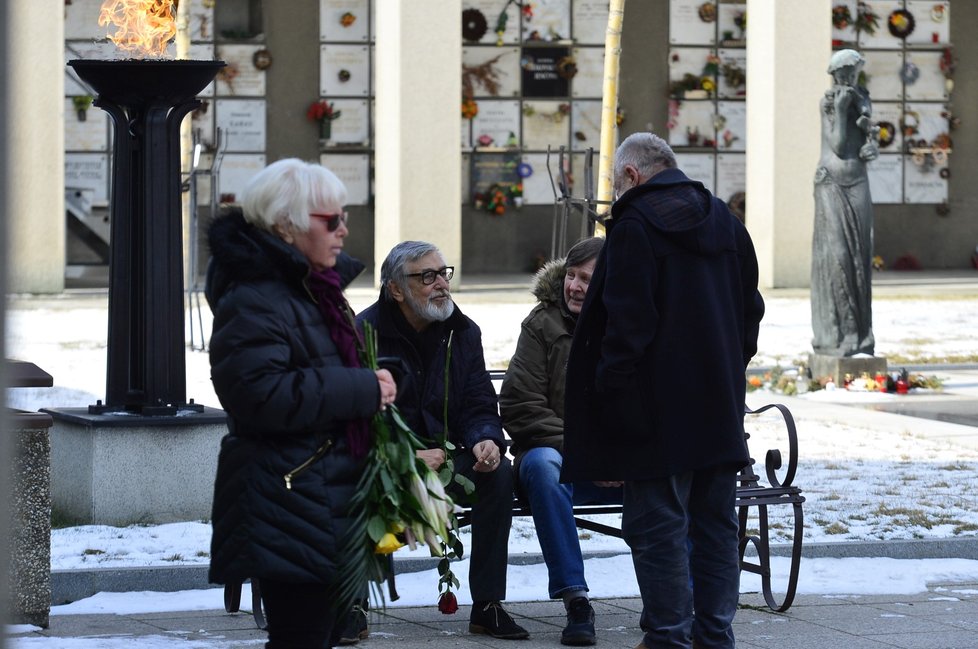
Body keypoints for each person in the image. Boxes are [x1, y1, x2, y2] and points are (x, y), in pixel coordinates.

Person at [562, 132, 765, 649]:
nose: (615, 193)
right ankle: (715, 636)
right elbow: (750, 311)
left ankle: (667, 638)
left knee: (657, 531)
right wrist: (726, 370)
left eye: (615, 182)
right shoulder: (724, 219)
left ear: (631, 175)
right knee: (716, 527)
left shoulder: (634, 226)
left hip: (652, 412)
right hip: (717, 407)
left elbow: (626, 326)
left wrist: (611, 396)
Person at [205, 158, 398, 649]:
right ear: (285, 226)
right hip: (287, 494)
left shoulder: (312, 290)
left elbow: (320, 369)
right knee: (300, 637)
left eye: (344, 218)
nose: (343, 230)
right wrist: (362, 389)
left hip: (322, 490)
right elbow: (260, 396)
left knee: (321, 634)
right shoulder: (255, 298)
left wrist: (379, 384)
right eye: (330, 221)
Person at [354, 240, 529, 641]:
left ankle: (487, 606)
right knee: (355, 478)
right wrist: (405, 454)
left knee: (498, 474)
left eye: (444, 273)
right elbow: (355, 420)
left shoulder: (464, 333)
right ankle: (353, 604)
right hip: (387, 463)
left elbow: (480, 402)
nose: (441, 284)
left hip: (449, 462)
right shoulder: (363, 335)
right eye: (426, 276)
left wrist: (486, 439)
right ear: (396, 289)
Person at [499, 236, 619, 646]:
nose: (575, 286)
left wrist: (616, 455)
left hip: (618, 464)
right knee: (543, 465)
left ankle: (668, 601)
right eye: (571, 275)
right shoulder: (541, 323)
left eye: (587, 278)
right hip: (557, 457)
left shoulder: (630, 322)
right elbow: (520, 405)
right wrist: (587, 455)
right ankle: (576, 599)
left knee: (670, 470)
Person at [812, 48, 878, 357]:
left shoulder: (862, 100)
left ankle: (863, 334)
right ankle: (844, 331)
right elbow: (838, 145)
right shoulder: (829, 103)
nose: (850, 81)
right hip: (832, 183)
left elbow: (867, 147)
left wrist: (870, 146)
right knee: (837, 256)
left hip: (858, 181)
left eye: (854, 74)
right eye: (845, 75)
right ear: (836, 76)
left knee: (860, 257)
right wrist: (841, 110)